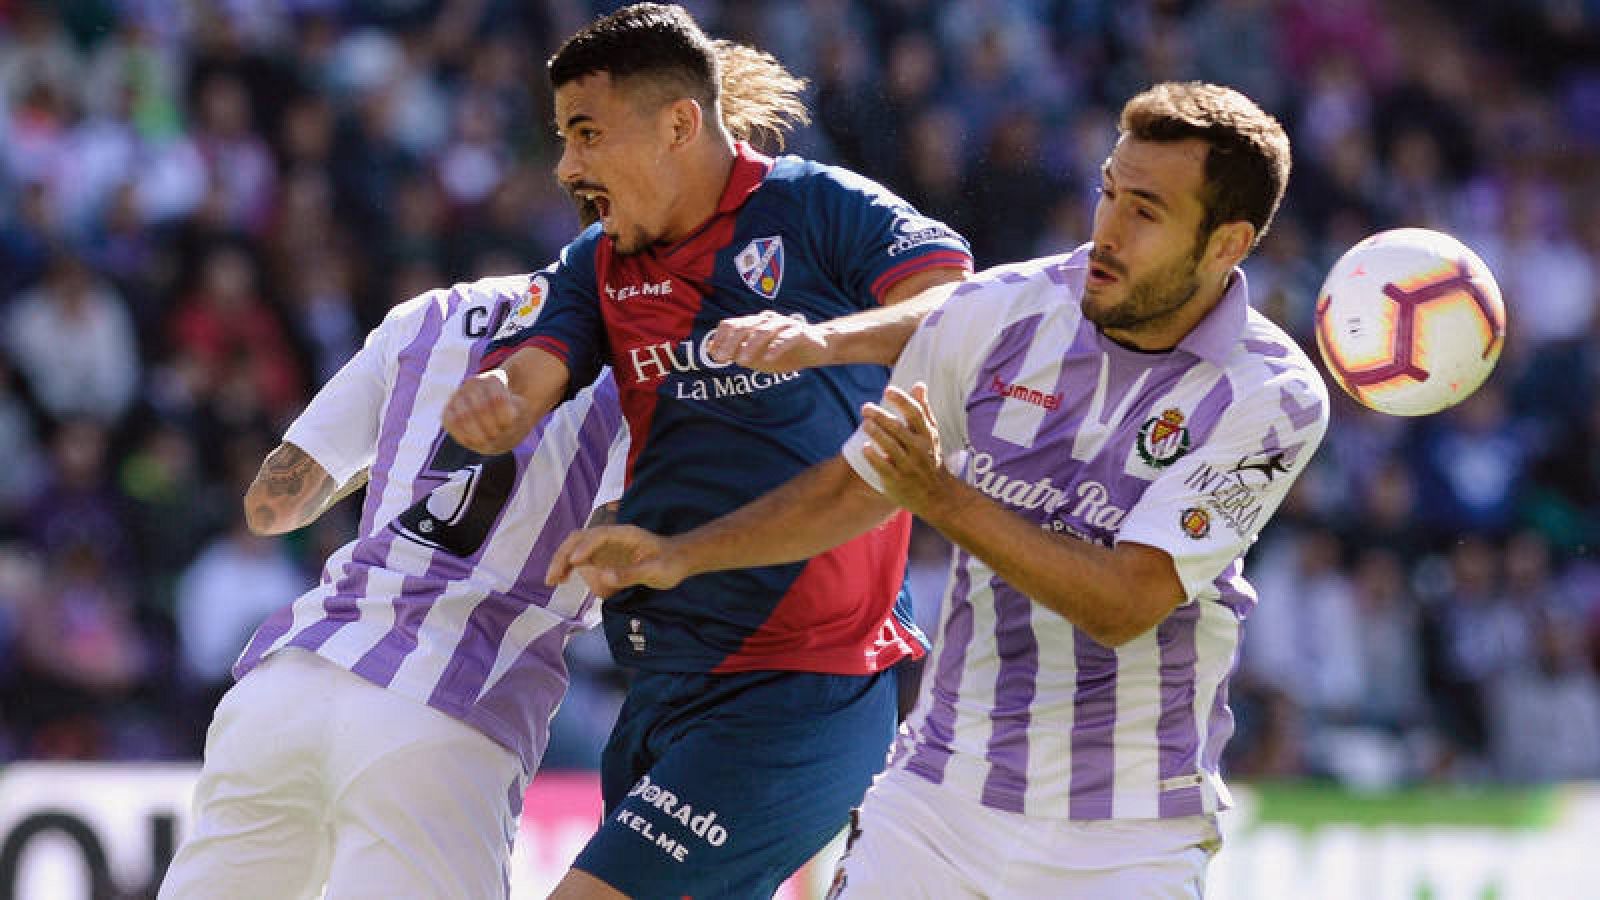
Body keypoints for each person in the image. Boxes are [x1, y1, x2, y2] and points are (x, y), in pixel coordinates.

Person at [550, 81, 1331, 897]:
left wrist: (943, 495)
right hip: (936, 800)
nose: (1106, 229)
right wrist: (683, 555)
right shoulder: (1010, 311)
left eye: (1146, 211)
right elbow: (858, 488)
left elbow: (1125, 604)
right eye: (1107, 191)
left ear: (1225, 244)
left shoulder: (1268, 395)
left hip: (1126, 834)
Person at [442, 4, 972, 896]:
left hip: (800, 684)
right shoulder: (597, 263)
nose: (568, 165)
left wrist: (823, 341)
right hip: (661, 673)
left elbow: (962, 312)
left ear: (680, 124)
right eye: (562, 137)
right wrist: (493, 404)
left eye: (586, 134)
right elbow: (533, 367)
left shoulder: (818, 206)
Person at [157, 273, 629, 900]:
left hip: (293, 681)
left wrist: (395, 468)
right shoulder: (647, 362)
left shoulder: (433, 313)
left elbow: (271, 506)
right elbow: (613, 561)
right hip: (447, 707)